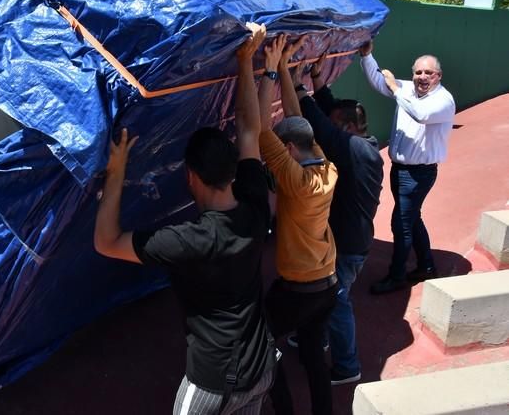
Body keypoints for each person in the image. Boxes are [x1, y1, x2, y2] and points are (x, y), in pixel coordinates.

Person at [93, 23, 275, 415]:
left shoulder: (188, 241)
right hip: (261, 368)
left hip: (213, 383)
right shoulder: (256, 209)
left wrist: (117, 169)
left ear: (191, 176)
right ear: (232, 172)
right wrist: (247, 61)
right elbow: (250, 129)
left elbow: (106, 241)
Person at [282, 50, 384, 386]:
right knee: (326, 295)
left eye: (339, 126)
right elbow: (329, 112)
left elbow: (321, 126)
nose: (333, 129)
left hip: (350, 245)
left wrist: (293, 82)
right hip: (351, 239)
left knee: (338, 302)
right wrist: (316, 79)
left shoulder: (356, 151)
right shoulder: (362, 144)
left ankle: (347, 366)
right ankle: (316, 336)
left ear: (351, 127)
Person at [258, 35, 338, 415]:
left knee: (262, 342)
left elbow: (259, 129)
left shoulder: (295, 180)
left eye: (280, 145)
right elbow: (297, 120)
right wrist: (289, 70)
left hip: (300, 288)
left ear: (288, 150)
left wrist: (269, 70)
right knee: (311, 354)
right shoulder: (324, 165)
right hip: (327, 283)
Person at [359, 41, 456, 294]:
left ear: (439, 76)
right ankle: (426, 265)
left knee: (400, 224)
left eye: (428, 73)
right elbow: (379, 82)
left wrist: (394, 86)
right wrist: (368, 56)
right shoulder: (408, 90)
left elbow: (420, 114)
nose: (422, 77)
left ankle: (397, 275)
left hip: (418, 174)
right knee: (412, 220)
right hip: (400, 169)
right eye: (418, 72)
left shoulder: (443, 100)